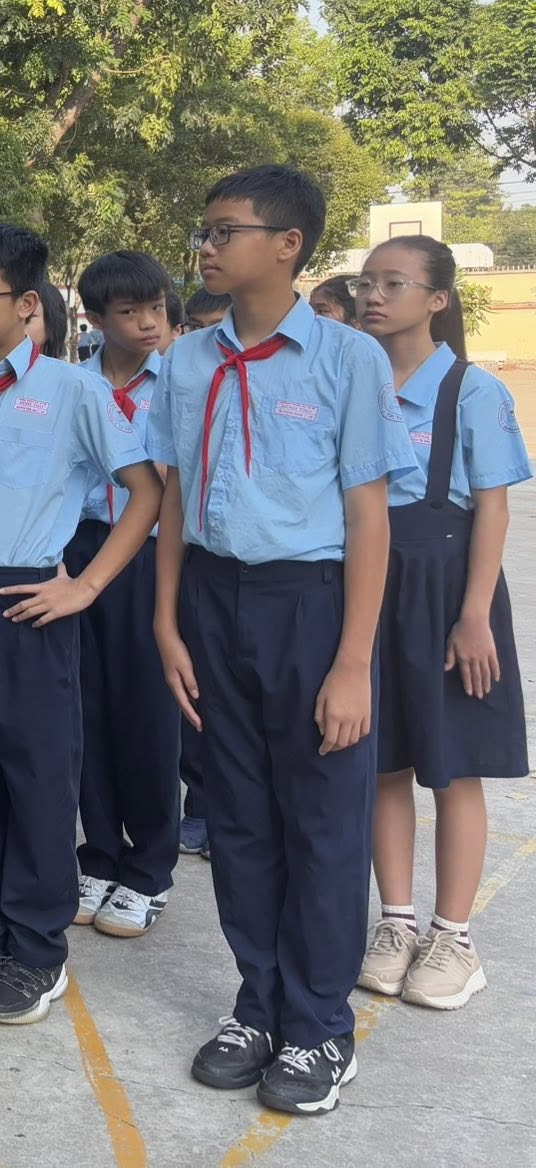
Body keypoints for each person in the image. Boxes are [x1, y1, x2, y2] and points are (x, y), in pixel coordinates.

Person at [151, 165, 410, 1116]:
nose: (208, 247)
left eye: (227, 231)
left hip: (311, 603)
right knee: (240, 819)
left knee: (323, 824)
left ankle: (319, 1026)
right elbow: (174, 495)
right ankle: (257, 1005)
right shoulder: (189, 360)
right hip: (212, 599)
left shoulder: (347, 359)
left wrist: (353, 664)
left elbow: (370, 515)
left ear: (288, 245)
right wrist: (166, 620)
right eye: (206, 231)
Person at [0, 224, 162, 1026]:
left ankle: (39, 951)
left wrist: (85, 586)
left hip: (27, 600)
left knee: (39, 780)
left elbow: (145, 492)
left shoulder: (71, 391)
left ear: (25, 304)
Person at [353, 236, 528, 1011]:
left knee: (453, 766)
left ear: (437, 300)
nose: (373, 295)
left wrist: (474, 616)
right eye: (366, 282)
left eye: (394, 283)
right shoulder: (352, 383)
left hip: (447, 585)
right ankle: (396, 924)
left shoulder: (472, 392)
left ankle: (454, 937)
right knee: (383, 762)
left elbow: (493, 509)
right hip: (369, 582)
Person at [69, 251, 180, 935]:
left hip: (151, 555)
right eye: (130, 311)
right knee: (86, 710)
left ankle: (150, 868)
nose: (148, 323)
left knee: (147, 715)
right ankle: (100, 853)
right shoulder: (71, 386)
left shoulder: (180, 384)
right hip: (79, 551)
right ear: (94, 318)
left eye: (156, 309)